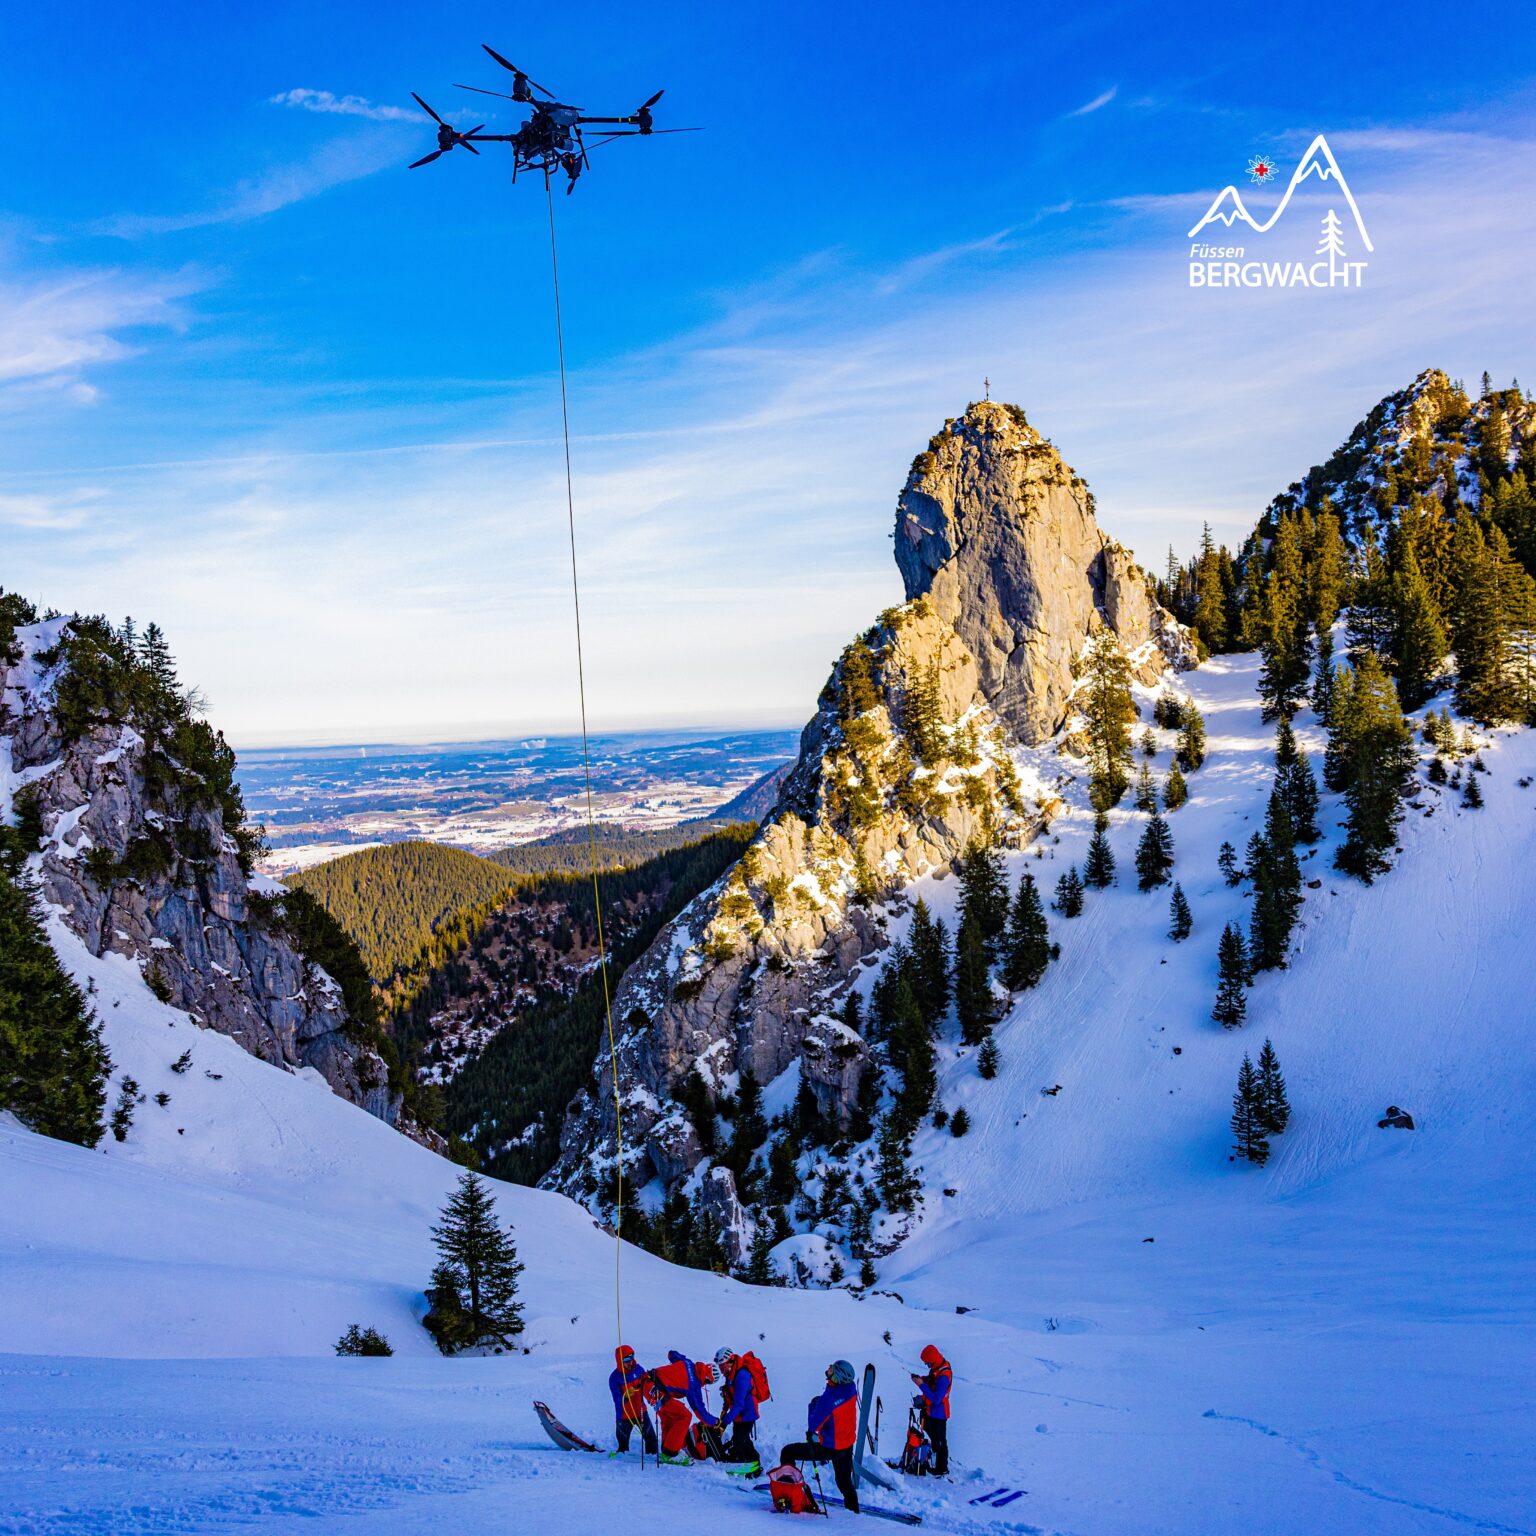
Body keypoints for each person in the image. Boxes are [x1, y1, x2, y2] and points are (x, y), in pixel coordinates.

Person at [775, 1359, 860, 1512]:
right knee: (844, 1481)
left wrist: (813, 1405)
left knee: (787, 1452)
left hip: (829, 1447)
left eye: (832, 1369)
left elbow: (813, 1425)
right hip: (846, 1444)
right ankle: (854, 1510)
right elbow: (838, 1407)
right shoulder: (851, 1389)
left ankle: (789, 1495)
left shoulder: (828, 1400)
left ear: (837, 1377)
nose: (828, 1369)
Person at [649, 1349, 719, 1461]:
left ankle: (666, 1451)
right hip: (657, 1391)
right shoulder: (694, 1385)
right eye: (708, 1383)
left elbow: (672, 1354)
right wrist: (715, 1422)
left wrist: (678, 1363)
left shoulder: (688, 1362)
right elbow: (701, 1412)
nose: (705, 1385)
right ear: (707, 1378)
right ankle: (671, 1454)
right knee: (685, 1416)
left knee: (669, 1417)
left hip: (649, 1383)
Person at [714, 1347, 761, 1470]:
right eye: (719, 1366)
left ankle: (745, 1464)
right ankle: (754, 1461)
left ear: (730, 1361)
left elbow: (739, 1403)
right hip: (738, 1414)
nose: (721, 1369)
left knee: (740, 1441)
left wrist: (724, 1422)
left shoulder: (742, 1375)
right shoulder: (731, 1373)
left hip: (747, 1413)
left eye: (722, 1365)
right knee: (741, 1439)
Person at [911, 1344, 952, 1475]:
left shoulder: (944, 1376)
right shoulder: (937, 1367)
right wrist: (922, 1379)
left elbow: (936, 1399)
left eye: (927, 1363)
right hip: (930, 1411)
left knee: (940, 1441)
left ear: (932, 1360)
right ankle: (934, 1454)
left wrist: (921, 1385)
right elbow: (932, 1380)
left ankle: (941, 1469)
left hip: (939, 1414)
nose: (927, 1365)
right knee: (931, 1435)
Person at [608, 1344, 657, 1455]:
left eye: (632, 1358)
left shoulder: (639, 1370)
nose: (630, 1362)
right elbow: (617, 1399)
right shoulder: (614, 1378)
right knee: (623, 1447)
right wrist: (625, 1395)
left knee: (652, 1441)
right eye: (626, 1360)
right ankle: (621, 1468)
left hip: (641, 1412)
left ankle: (652, 1465)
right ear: (620, 1361)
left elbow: (647, 1388)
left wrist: (653, 1397)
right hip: (624, 1416)